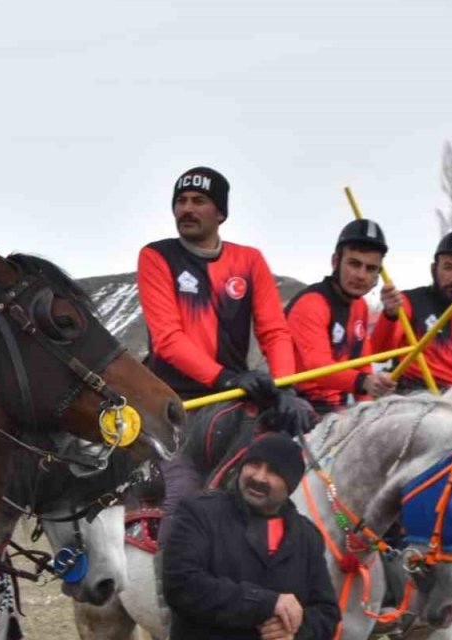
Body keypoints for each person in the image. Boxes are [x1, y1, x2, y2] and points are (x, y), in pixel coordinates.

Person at [136, 166, 310, 545]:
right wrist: (228, 378)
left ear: (221, 213)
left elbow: (274, 332)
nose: (187, 208)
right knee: (183, 496)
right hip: (173, 407)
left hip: (231, 404)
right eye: (181, 201)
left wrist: (285, 391)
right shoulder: (156, 257)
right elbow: (167, 338)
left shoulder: (249, 261)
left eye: (199, 201)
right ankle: (173, 594)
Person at [162, 433, 341, 639]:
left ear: (290, 485)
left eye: (273, 471)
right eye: (254, 464)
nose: (258, 477)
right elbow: (181, 584)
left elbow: (328, 614)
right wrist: (266, 603)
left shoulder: (307, 536)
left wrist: (295, 631)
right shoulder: (200, 513)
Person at [286, 219, 396, 415]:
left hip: (339, 410)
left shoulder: (360, 306)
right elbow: (317, 366)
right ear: (335, 261)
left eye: (370, 269)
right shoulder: (311, 303)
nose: (361, 275)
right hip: (298, 407)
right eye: (354, 264)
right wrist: (365, 383)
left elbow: (363, 365)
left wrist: (369, 408)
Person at [372, 231, 452, 392]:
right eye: (448, 267)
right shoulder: (407, 301)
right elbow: (380, 353)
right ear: (434, 269)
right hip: (409, 398)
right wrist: (390, 314)